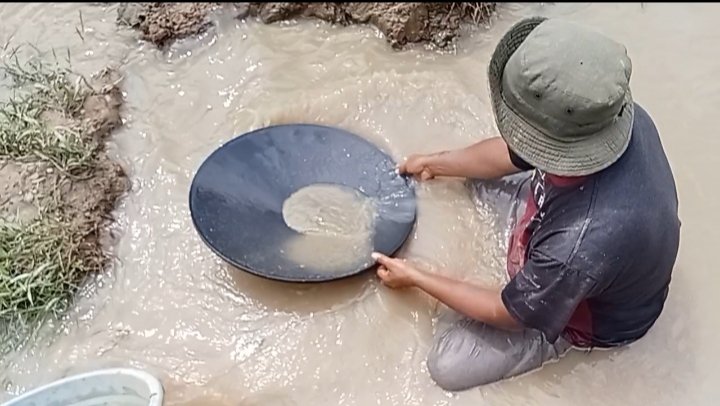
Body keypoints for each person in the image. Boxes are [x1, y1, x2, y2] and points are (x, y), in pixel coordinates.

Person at [371, 16, 680, 391]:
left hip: (582, 309)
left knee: (447, 365)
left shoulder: (577, 247)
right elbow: (511, 154)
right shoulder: (608, 119)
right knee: (472, 181)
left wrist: (418, 277)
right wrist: (437, 163)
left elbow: (507, 313)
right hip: (574, 230)